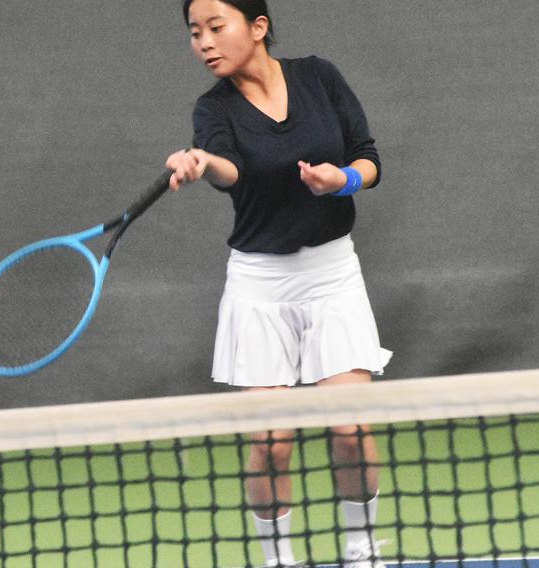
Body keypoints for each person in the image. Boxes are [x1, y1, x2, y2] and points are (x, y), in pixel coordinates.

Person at [165, 1, 392, 567]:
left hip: (333, 277)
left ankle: (362, 547)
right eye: (195, 33)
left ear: (257, 27)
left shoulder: (319, 76)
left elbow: (368, 160)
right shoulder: (212, 109)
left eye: (217, 27)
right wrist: (201, 162)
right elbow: (229, 167)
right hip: (260, 286)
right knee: (269, 443)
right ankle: (277, 560)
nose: (205, 43)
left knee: (350, 427)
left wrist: (340, 181)